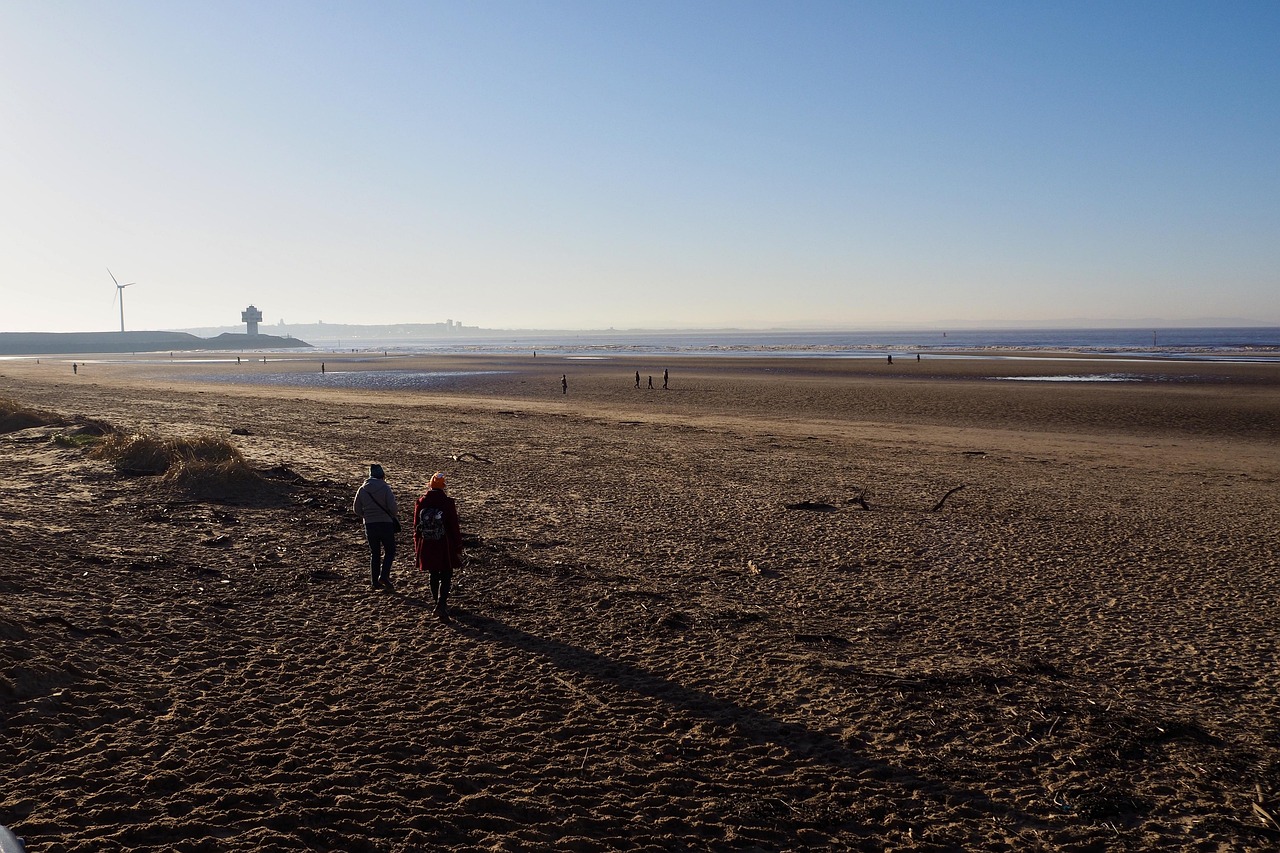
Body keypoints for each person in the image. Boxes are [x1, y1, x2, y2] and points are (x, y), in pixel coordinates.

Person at [414, 472, 462, 621]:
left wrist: (417, 546)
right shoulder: (447, 502)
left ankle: (437, 603)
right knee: (446, 575)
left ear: (430, 485)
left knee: (433, 574)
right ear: (443, 487)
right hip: (444, 544)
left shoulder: (421, 502)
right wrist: (458, 546)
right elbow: (454, 526)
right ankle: (441, 605)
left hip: (427, 543)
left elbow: (416, 527)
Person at [353, 463, 399, 590]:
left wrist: (367, 515)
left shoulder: (362, 489)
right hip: (385, 524)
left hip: (370, 524)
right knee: (390, 551)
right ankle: (384, 576)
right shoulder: (385, 488)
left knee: (375, 553)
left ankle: (375, 581)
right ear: (382, 475)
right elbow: (394, 510)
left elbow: (356, 509)